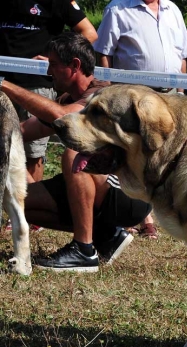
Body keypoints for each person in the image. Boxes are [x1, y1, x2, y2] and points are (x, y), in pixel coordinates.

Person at [0, 32, 150, 272]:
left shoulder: (100, 94)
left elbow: (64, 116)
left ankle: (83, 250)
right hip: (103, 190)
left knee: (76, 152)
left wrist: (3, 85)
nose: (49, 72)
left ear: (75, 66)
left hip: (129, 194)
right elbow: (20, 132)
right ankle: (106, 235)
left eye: (54, 65)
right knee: (19, 201)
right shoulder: (68, 97)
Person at [93, 0, 187, 238]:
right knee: (134, 157)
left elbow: (181, 55)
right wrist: (108, 92)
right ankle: (141, 217)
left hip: (170, 97)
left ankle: (163, 212)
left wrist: (181, 92)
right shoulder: (117, 9)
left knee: (167, 157)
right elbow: (104, 53)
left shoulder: (173, 9)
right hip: (134, 100)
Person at [0, 0, 98, 183]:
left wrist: (55, 60)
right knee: (4, 142)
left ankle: (33, 206)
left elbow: (89, 33)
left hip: (36, 85)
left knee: (33, 153)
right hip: (2, 83)